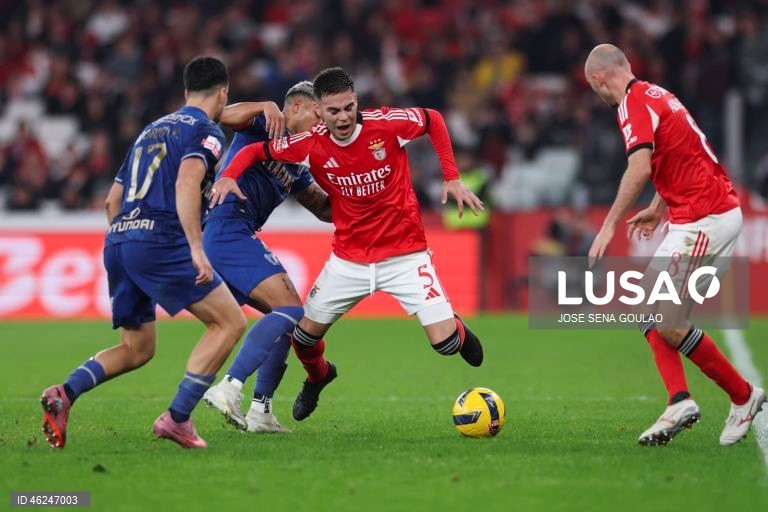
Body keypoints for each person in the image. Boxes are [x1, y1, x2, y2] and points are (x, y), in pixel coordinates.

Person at [210, 67, 486, 421]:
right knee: (303, 337)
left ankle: (455, 326)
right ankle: (317, 377)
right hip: (348, 261)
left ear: (357, 102)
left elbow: (432, 118)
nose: (343, 117)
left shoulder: (385, 125)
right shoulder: (307, 144)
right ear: (320, 112)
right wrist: (229, 176)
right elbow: (254, 153)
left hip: (405, 254)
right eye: (333, 111)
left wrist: (452, 178)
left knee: (446, 345)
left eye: (348, 108)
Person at [39, 56, 247, 449]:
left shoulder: (149, 131)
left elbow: (110, 201)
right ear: (223, 94)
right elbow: (188, 180)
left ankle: (64, 393)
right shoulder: (208, 130)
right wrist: (195, 248)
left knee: (138, 348)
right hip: (162, 237)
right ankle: (178, 418)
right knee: (229, 323)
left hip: (119, 239)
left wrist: (128, 243)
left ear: (186, 93)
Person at [584, 44, 766, 446]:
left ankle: (728, 396)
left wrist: (608, 226)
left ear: (599, 79)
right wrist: (655, 207)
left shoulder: (631, 105)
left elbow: (640, 167)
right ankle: (696, 398)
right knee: (650, 311)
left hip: (706, 218)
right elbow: (681, 153)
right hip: (699, 214)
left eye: (593, 87)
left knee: (663, 317)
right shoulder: (656, 93)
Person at [201, 81, 334, 433]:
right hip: (226, 227)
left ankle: (261, 411)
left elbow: (323, 209)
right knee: (291, 311)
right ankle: (229, 387)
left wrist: (358, 191)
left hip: (235, 234)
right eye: (318, 114)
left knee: (290, 321)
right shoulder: (264, 123)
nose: (323, 124)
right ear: (295, 108)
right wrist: (263, 105)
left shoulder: (296, 163)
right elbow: (219, 114)